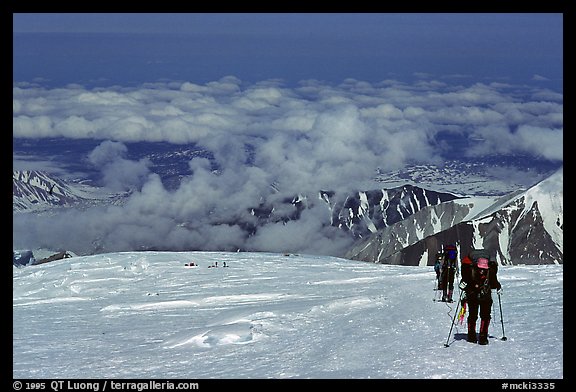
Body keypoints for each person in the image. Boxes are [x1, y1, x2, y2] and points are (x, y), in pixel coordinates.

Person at [459, 249, 502, 345]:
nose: (482, 271)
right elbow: (494, 283)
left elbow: (466, 281)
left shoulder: (471, 270)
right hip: (486, 296)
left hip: (472, 295)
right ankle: (483, 336)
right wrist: (498, 287)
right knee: (485, 316)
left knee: (473, 315)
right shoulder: (490, 271)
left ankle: (471, 335)